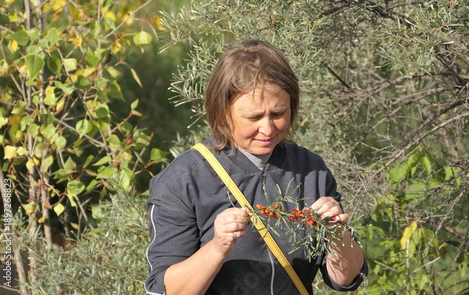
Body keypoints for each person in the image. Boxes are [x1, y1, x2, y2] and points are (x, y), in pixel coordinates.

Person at [145, 40, 367, 295]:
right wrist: (217, 248)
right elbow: (164, 290)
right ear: (221, 112)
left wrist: (337, 232)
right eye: (253, 117)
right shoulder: (182, 181)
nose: (268, 129)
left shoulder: (311, 170)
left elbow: (344, 280)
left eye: (278, 113)